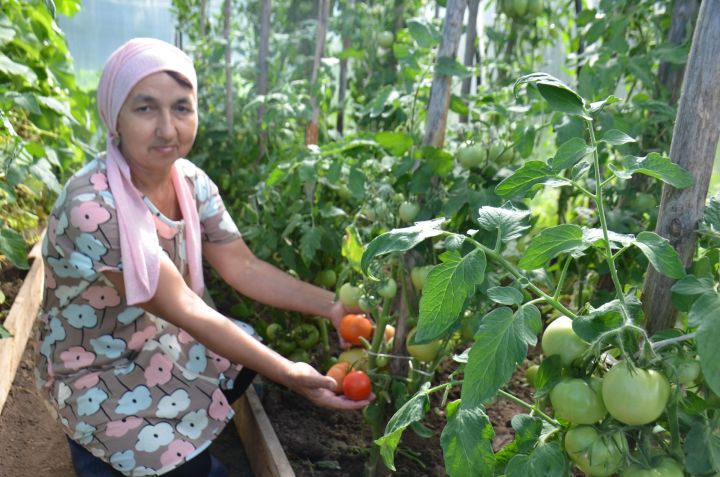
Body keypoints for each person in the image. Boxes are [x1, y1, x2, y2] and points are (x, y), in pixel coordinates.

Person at [36, 37, 370, 477]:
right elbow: (187, 309)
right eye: (145, 108)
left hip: (156, 339)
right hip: (95, 365)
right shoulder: (93, 207)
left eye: (181, 107)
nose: (168, 129)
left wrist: (330, 306)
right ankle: (97, 446)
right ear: (113, 116)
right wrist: (289, 373)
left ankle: (154, 440)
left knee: (243, 352)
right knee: (192, 466)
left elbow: (242, 265)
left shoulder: (189, 181)